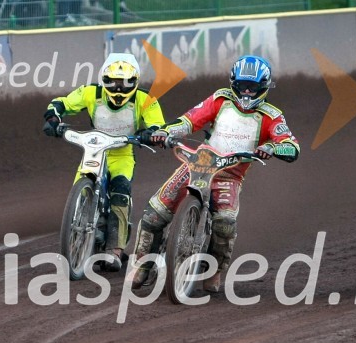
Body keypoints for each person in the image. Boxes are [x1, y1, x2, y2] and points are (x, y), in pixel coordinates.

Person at [128, 54, 300, 292]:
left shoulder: (272, 116)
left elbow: (292, 146)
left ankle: (215, 270)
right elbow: (189, 121)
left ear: (264, 87)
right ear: (234, 83)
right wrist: (166, 132)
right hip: (198, 164)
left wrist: (271, 147)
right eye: (242, 86)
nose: (247, 93)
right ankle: (141, 264)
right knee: (155, 212)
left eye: (253, 88)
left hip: (229, 175)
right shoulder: (220, 99)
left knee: (225, 223)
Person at [42, 52, 165, 271]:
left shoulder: (146, 99)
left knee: (121, 190)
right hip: (94, 149)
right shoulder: (90, 92)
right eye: (114, 83)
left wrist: (152, 133)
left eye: (125, 84)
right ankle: (76, 235)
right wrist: (53, 117)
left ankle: (114, 250)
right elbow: (62, 102)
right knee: (78, 189)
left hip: (122, 153)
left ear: (135, 83)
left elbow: (158, 125)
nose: (118, 89)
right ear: (104, 81)